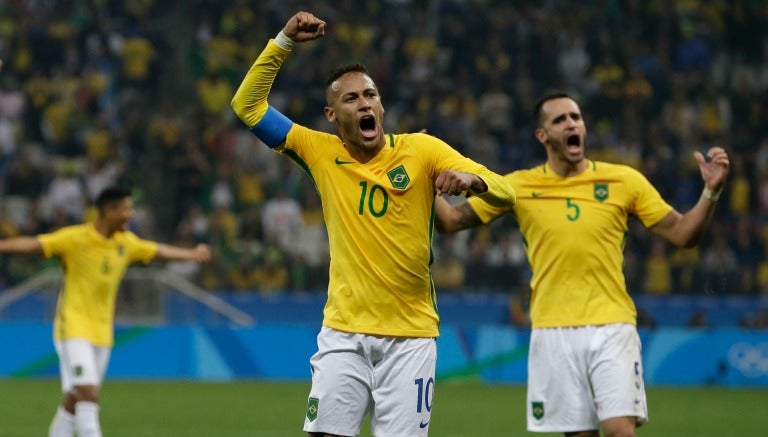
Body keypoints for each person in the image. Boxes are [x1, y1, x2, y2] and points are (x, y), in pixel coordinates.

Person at [230, 11, 516, 437]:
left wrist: (473, 181)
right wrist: (283, 41)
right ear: (332, 115)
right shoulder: (318, 151)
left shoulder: (421, 150)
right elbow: (247, 106)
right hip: (344, 333)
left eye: (371, 95)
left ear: (381, 106)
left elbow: (506, 192)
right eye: (351, 99)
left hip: (411, 337)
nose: (364, 103)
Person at [435, 92, 729, 437]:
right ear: (542, 136)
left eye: (575, 117)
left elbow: (683, 234)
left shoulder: (624, 181)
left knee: (621, 429)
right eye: (559, 120)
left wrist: (710, 193)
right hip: (551, 328)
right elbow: (451, 222)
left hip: (612, 323)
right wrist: (427, 182)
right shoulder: (518, 186)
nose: (571, 123)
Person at [0, 186, 212, 437]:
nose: (130, 214)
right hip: (73, 327)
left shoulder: (126, 243)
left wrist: (192, 254)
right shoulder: (75, 238)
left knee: (75, 397)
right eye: (126, 209)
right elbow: (33, 244)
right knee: (89, 393)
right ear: (108, 211)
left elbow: (158, 251)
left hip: (102, 331)